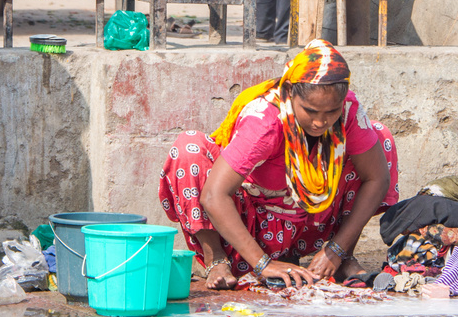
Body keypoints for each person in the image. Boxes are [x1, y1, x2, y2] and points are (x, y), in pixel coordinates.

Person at [159, 40, 397, 290]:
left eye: (331, 111)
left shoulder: (348, 111)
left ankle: (342, 258)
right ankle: (217, 259)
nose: (320, 122)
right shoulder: (266, 122)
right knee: (189, 148)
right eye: (311, 111)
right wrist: (262, 264)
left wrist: (336, 249)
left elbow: (377, 178)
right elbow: (213, 195)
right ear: (291, 93)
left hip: (311, 224)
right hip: (253, 224)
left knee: (380, 137)